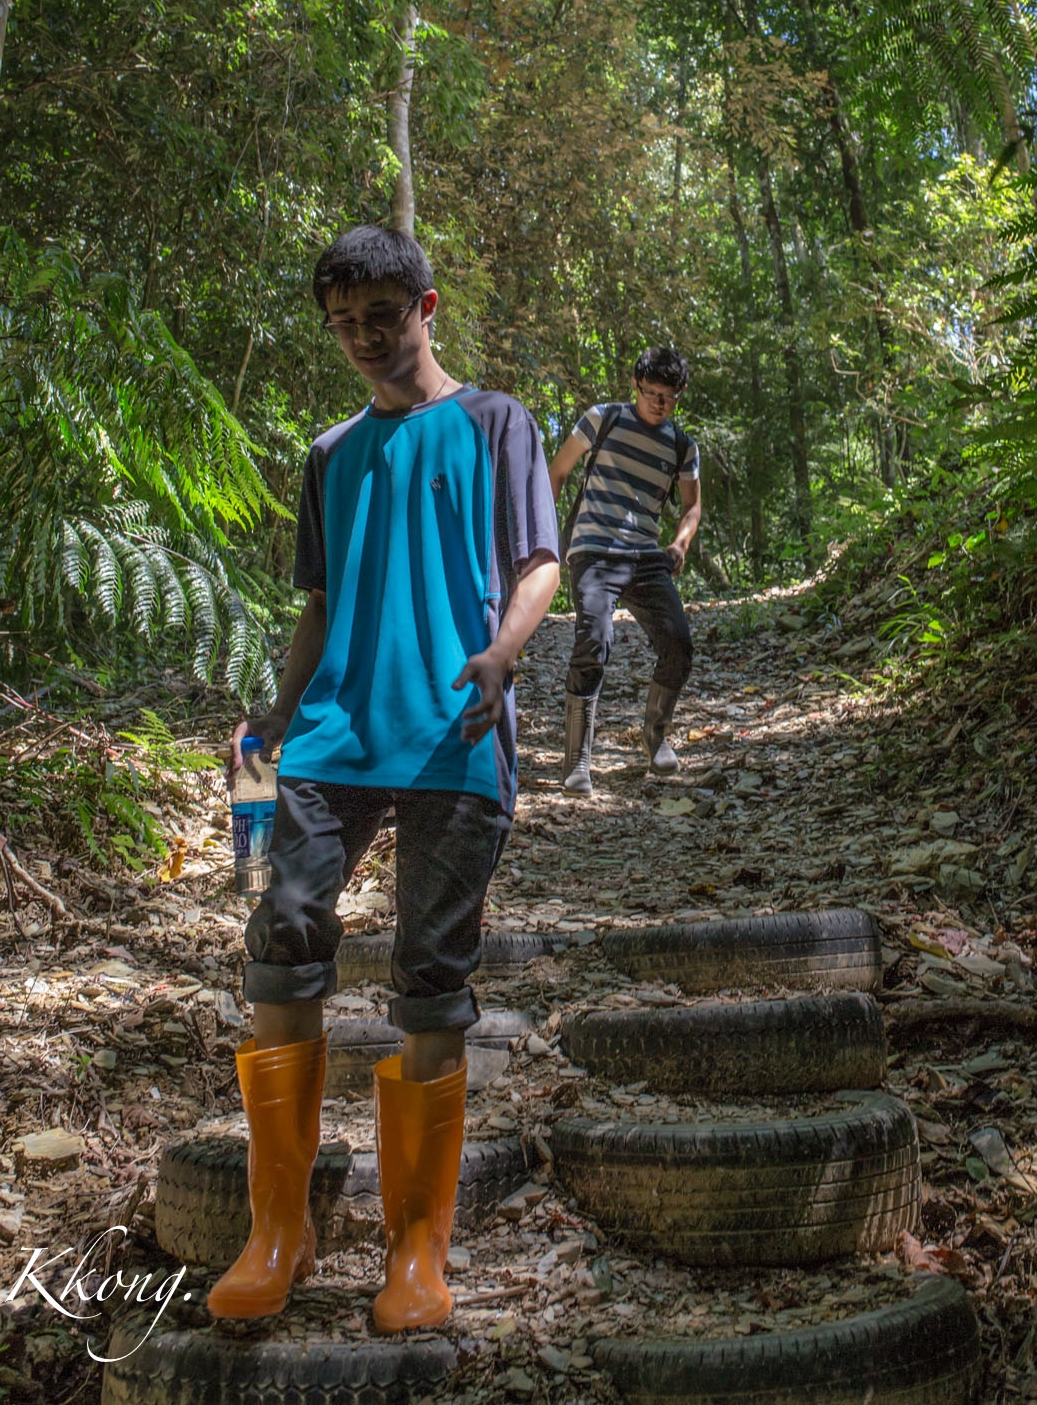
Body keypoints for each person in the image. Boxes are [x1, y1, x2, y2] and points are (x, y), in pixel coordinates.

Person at [210, 226, 559, 1332]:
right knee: (285, 933)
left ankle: (418, 1249)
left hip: (455, 730)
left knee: (430, 975)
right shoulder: (331, 451)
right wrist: (271, 716)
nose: (363, 337)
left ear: (428, 305)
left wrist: (505, 654)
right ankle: (279, 1228)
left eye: (382, 315)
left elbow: (539, 562)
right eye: (344, 323)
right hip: (329, 739)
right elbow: (318, 603)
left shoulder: (496, 422)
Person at [548, 347, 701, 797]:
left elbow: (692, 506)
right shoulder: (602, 419)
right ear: (635, 386)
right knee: (594, 640)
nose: (658, 403)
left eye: (667, 397)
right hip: (593, 549)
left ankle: (655, 734)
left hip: (645, 556)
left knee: (678, 642)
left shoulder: (681, 446)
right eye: (650, 393)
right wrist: (539, 540)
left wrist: (680, 543)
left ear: (679, 396)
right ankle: (577, 760)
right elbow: (556, 473)